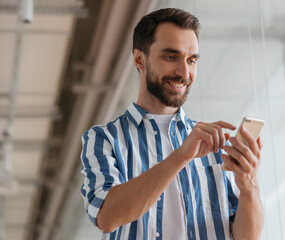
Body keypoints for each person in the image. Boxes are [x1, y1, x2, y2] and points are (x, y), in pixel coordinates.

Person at [80, 8, 264, 240]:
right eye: (171, 57)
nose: (183, 72)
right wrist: (181, 156)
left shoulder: (216, 145)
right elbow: (106, 217)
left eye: (191, 60)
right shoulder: (104, 139)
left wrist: (249, 186)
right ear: (139, 59)